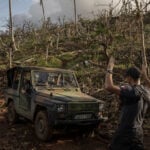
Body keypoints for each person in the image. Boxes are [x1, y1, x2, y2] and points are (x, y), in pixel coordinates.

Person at [105, 56, 150, 150]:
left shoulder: (131, 90)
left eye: (126, 78)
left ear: (129, 77)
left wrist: (110, 67)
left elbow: (109, 86)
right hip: (138, 134)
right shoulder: (146, 92)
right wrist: (145, 75)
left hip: (126, 134)